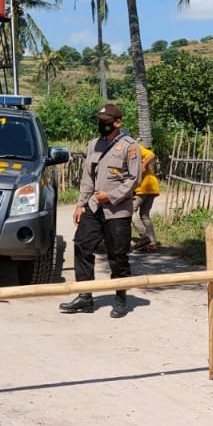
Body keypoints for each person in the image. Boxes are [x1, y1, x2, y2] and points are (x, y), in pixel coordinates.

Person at [59, 103, 142, 318]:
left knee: (117, 254)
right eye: (100, 122)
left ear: (117, 123)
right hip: (94, 207)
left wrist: (112, 196)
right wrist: (80, 203)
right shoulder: (93, 144)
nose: (101, 125)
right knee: (82, 245)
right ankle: (84, 295)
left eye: (105, 122)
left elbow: (134, 179)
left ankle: (121, 298)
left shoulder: (129, 146)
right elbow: (88, 177)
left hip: (117, 210)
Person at [132, 143, 160, 252]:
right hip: (151, 185)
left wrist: (143, 165)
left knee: (130, 211)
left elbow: (152, 155)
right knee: (144, 215)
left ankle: (145, 237)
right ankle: (152, 244)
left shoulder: (133, 147)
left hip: (144, 186)